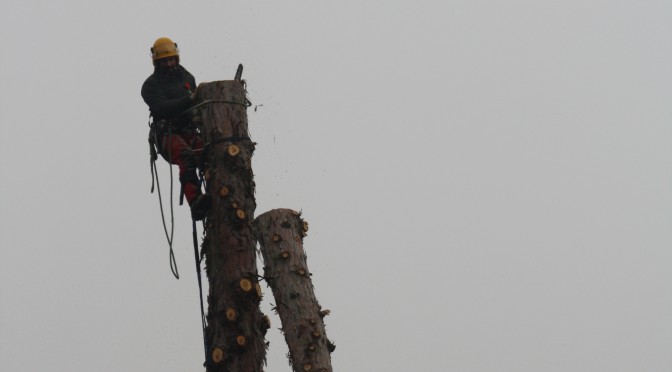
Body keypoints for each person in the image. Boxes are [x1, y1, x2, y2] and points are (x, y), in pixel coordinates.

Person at [142, 37, 210, 220]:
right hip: (168, 134)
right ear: (157, 62)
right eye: (164, 61)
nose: (169, 64)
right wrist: (190, 99)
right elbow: (163, 107)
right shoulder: (150, 86)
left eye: (171, 59)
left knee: (211, 153)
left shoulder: (187, 78)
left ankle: (218, 193)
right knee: (186, 156)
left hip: (189, 131)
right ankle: (196, 203)